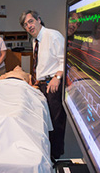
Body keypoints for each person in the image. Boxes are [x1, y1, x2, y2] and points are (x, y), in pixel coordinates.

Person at [19, 10, 66, 161]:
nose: (29, 26)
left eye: (31, 21)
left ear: (39, 20)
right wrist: (36, 79)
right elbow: (42, 63)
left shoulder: (53, 35)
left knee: (56, 120)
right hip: (42, 84)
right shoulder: (35, 41)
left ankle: (56, 155)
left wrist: (57, 78)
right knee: (46, 119)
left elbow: (64, 59)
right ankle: (48, 149)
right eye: (26, 25)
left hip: (53, 83)